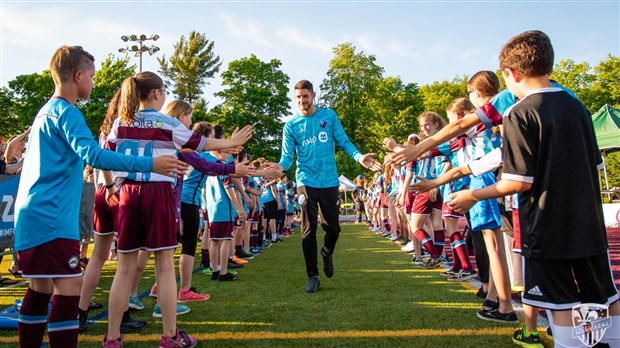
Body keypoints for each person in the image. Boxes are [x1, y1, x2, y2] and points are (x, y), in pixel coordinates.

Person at [448, 30, 620, 347]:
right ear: (550, 67)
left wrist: (473, 194)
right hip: (589, 226)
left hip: (547, 227)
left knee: (561, 304)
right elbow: (595, 166)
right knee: (601, 298)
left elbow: (518, 181)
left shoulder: (520, 112)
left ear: (511, 74)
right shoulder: (577, 106)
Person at [13, 45, 187, 348]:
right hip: (53, 217)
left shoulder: (44, 111)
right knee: (70, 288)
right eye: (91, 76)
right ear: (78, 76)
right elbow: (94, 155)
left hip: (31, 214)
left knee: (40, 287)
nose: (92, 83)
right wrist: (150, 164)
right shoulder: (68, 113)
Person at [103, 71, 252, 347]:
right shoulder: (167, 122)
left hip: (128, 194)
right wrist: (232, 142)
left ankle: (112, 337)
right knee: (163, 265)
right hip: (158, 192)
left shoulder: (120, 123)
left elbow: (105, 155)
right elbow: (202, 144)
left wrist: (112, 187)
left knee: (124, 268)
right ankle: (170, 336)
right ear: (157, 94)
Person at [272, 79, 381, 293]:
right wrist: (279, 167)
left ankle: (327, 251)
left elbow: (345, 142)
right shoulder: (291, 126)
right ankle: (313, 276)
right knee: (307, 230)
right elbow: (287, 157)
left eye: (305, 96)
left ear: (313, 95)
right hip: (305, 181)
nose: (302, 100)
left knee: (333, 228)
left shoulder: (329, 117)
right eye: (298, 97)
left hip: (329, 181)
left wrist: (359, 158)